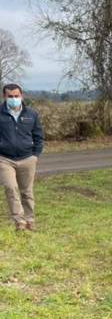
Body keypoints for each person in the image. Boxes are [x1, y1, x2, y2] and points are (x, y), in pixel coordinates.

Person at [0, 83, 44, 231]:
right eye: (10, 96)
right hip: (5, 159)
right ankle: (19, 221)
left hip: (27, 158)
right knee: (11, 188)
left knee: (27, 191)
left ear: (21, 96)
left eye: (16, 96)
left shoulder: (31, 114)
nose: (14, 98)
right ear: (4, 97)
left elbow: (38, 136)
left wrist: (35, 155)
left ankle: (30, 220)